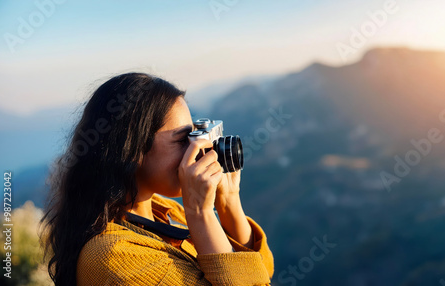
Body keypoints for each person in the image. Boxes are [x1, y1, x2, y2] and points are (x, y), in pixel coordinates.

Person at [39, 73, 274, 285]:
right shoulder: (113, 258)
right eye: (183, 140)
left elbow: (262, 270)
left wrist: (228, 202)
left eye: (195, 135)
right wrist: (200, 214)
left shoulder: (165, 211)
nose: (199, 150)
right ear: (131, 152)